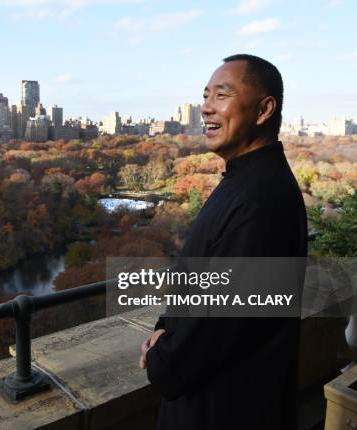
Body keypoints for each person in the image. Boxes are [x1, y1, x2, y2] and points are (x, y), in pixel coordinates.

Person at [139, 54, 307, 429]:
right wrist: (163, 327)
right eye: (205, 96)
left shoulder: (259, 201)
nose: (205, 107)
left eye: (221, 95)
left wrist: (161, 356)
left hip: (223, 411)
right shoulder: (246, 181)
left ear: (264, 109)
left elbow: (216, 326)